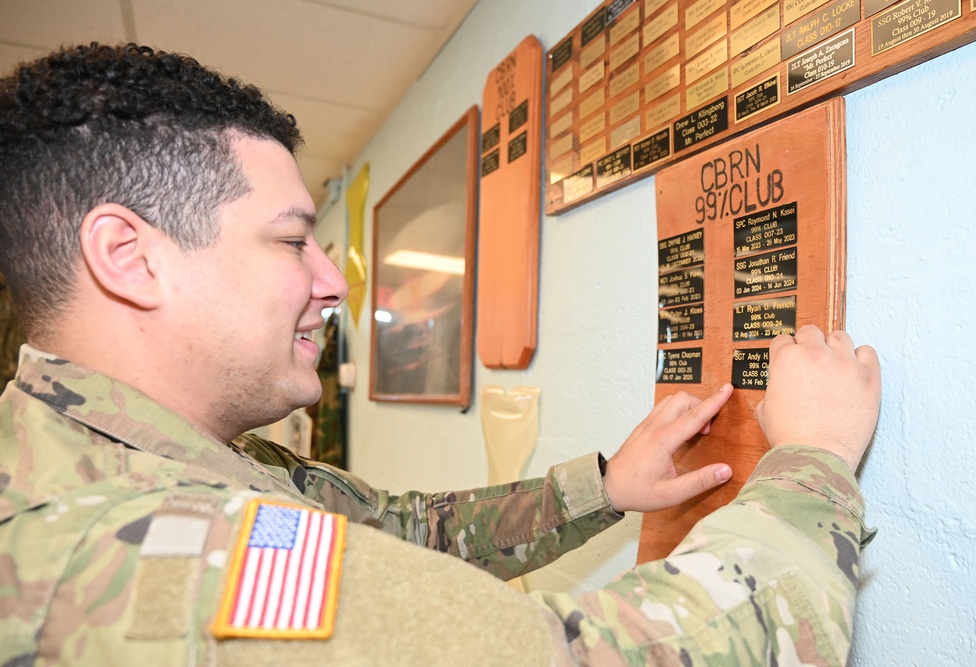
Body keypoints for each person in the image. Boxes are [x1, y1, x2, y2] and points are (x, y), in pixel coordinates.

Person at [0, 43, 881, 665]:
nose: (332, 281)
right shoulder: (153, 557)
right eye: (289, 241)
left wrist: (604, 487)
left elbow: (403, 530)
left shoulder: (143, 457)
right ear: (129, 256)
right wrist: (812, 463)